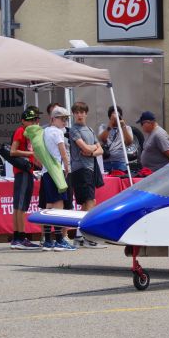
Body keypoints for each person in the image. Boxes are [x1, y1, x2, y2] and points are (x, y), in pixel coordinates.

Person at [68, 101, 106, 249]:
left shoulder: (90, 129)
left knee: (87, 203)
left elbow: (100, 150)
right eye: (77, 112)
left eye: (82, 112)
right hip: (81, 169)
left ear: (86, 113)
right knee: (89, 201)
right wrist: (93, 149)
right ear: (73, 114)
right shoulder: (73, 130)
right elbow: (82, 147)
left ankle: (79, 236)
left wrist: (92, 151)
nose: (79, 114)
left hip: (90, 169)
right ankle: (88, 238)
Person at [40, 106, 76, 252]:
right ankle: (60, 240)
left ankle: (48, 240)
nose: (65, 122)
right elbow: (63, 151)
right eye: (62, 119)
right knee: (59, 204)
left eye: (66, 119)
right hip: (57, 171)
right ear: (53, 119)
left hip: (46, 171)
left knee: (49, 204)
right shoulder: (57, 133)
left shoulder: (45, 131)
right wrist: (67, 167)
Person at [10, 106, 41, 250]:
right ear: (23, 121)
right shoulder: (21, 131)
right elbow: (13, 151)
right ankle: (20, 237)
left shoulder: (30, 132)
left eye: (34, 120)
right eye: (30, 120)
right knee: (20, 206)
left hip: (27, 171)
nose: (33, 122)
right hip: (22, 171)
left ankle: (17, 237)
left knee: (20, 205)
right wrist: (30, 154)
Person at [97, 105, 133, 173]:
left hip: (120, 162)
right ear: (109, 117)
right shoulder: (103, 127)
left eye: (117, 116)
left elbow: (129, 142)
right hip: (106, 162)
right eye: (113, 116)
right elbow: (103, 139)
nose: (116, 118)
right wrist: (110, 125)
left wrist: (123, 127)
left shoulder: (127, 128)